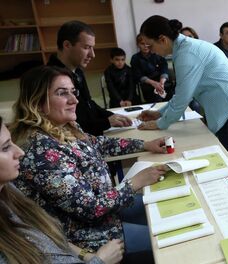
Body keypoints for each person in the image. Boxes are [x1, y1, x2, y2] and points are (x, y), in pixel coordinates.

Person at [10, 66, 169, 263]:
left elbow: (98, 143)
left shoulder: (64, 125)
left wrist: (144, 144)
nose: (74, 100)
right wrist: (135, 183)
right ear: (37, 101)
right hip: (91, 238)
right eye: (62, 93)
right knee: (166, 239)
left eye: (73, 92)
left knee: (166, 205)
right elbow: (90, 209)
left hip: (108, 212)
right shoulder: (40, 151)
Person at [0, 115, 124, 264]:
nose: (20, 152)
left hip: (92, 242)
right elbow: (92, 208)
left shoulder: (9, 191)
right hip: (93, 235)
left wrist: (87, 256)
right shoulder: (40, 148)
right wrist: (100, 260)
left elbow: (50, 237)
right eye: (6, 147)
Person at [137, 16, 228, 173]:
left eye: (150, 46)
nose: (150, 51)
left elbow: (183, 98)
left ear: (163, 39)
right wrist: (159, 113)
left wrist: (160, 123)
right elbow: (183, 94)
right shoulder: (184, 49)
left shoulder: (187, 54)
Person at [47, 20, 131, 137]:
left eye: (92, 48)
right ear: (67, 45)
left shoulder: (78, 71)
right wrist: (106, 122)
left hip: (94, 136)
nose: (92, 54)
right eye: (87, 47)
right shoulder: (53, 78)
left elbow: (88, 103)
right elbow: (71, 124)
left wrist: (110, 115)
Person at [130, 34, 173, 103]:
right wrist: (154, 83)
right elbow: (138, 75)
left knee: (173, 97)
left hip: (163, 84)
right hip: (148, 86)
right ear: (138, 45)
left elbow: (164, 68)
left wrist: (161, 83)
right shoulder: (135, 58)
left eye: (147, 44)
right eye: (142, 44)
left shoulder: (157, 53)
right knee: (157, 100)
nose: (145, 46)